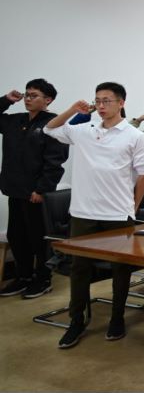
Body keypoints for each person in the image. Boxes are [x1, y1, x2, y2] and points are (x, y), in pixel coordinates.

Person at [43, 82, 144, 349]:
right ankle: (76, 320)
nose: (101, 106)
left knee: (120, 268)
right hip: (83, 212)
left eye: (107, 101)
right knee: (80, 268)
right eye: (98, 101)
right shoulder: (85, 130)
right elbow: (49, 129)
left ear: (121, 103)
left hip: (118, 213)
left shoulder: (134, 136)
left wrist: (133, 207)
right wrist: (73, 109)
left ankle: (117, 318)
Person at [0, 79, 69, 299]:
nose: (28, 99)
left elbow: (55, 161)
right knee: (17, 236)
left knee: (38, 237)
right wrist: (6, 100)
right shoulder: (15, 120)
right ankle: (23, 276)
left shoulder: (53, 123)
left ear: (48, 100)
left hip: (37, 193)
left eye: (34, 95)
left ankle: (43, 278)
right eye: (27, 94)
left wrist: (42, 189)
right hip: (14, 189)